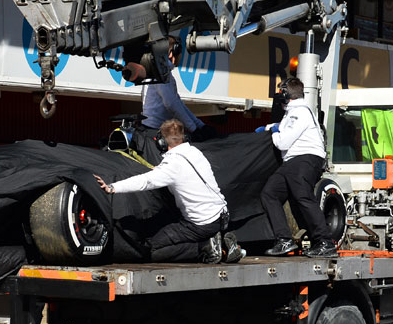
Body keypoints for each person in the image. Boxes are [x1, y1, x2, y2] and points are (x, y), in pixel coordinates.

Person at [94, 119, 244, 264]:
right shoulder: (195, 152)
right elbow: (170, 172)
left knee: (151, 248)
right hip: (222, 216)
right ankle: (224, 247)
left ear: (162, 143)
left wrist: (112, 187)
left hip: (201, 224)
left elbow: (145, 181)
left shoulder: (172, 165)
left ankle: (205, 247)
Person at [258, 77, 337, 258]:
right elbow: (282, 129)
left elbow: (283, 142)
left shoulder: (298, 112)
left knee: (303, 198)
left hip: (303, 160)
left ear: (287, 94)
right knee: (270, 194)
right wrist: (270, 128)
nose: (279, 97)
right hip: (295, 162)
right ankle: (284, 240)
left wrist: (274, 132)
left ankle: (325, 242)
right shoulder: (295, 112)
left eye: (281, 92)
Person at [140, 36, 214, 140]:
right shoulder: (162, 76)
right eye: (179, 52)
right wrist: (194, 129)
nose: (180, 56)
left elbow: (178, 103)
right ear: (172, 53)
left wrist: (200, 125)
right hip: (154, 132)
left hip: (154, 130)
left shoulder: (163, 74)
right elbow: (172, 105)